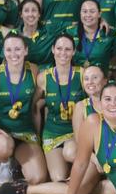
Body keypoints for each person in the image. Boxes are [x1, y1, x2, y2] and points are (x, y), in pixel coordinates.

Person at [0, 66, 116, 194]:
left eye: (95, 78)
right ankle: (25, 189)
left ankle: (85, 186)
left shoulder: (115, 102)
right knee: (76, 193)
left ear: (105, 81)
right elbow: (80, 143)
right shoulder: (81, 107)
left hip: (115, 157)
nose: (90, 82)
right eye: (87, 79)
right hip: (94, 158)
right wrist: (96, 159)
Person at [0, 33, 47, 186]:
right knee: (2, 148)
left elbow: (38, 98)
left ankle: (16, 159)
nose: (13, 54)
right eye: (9, 50)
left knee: (38, 178)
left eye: (18, 49)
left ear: (25, 51)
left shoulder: (34, 71)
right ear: (3, 51)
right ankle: (5, 162)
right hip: (2, 130)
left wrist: (40, 104)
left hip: (25, 132)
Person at [36, 34, 85, 182]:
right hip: (52, 133)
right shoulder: (43, 77)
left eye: (67, 49)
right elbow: (34, 105)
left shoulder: (82, 74)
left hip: (74, 133)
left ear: (73, 52)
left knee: (70, 152)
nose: (63, 53)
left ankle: (84, 168)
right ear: (52, 50)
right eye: (59, 48)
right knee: (58, 179)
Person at [65, 0, 115, 72]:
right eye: (84, 11)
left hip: (100, 80)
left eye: (92, 11)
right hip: (75, 78)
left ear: (99, 14)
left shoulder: (109, 33)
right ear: (80, 13)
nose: (88, 15)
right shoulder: (70, 32)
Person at [14, 0, 65, 68]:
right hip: (23, 75)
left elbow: (72, 27)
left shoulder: (50, 30)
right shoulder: (14, 35)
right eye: (26, 11)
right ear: (21, 14)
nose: (30, 14)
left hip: (47, 75)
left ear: (39, 14)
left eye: (34, 10)